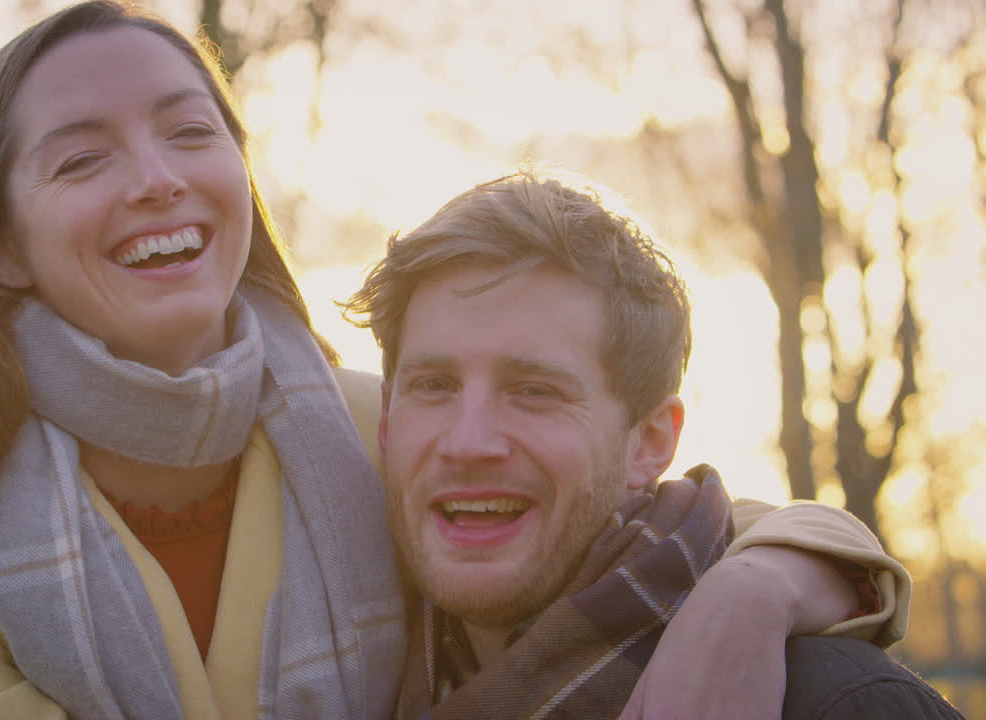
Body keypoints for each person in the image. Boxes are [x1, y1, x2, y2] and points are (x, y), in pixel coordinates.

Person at [0, 2, 911, 718]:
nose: (155, 177)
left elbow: (698, 519)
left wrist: (745, 599)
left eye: (191, 132)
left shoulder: (372, 426)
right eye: (83, 156)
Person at [343, 170, 960, 719]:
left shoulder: (826, 700)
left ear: (651, 441)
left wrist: (755, 590)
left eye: (535, 390)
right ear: (388, 426)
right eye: (433, 385)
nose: (468, 442)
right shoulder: (339, 664)